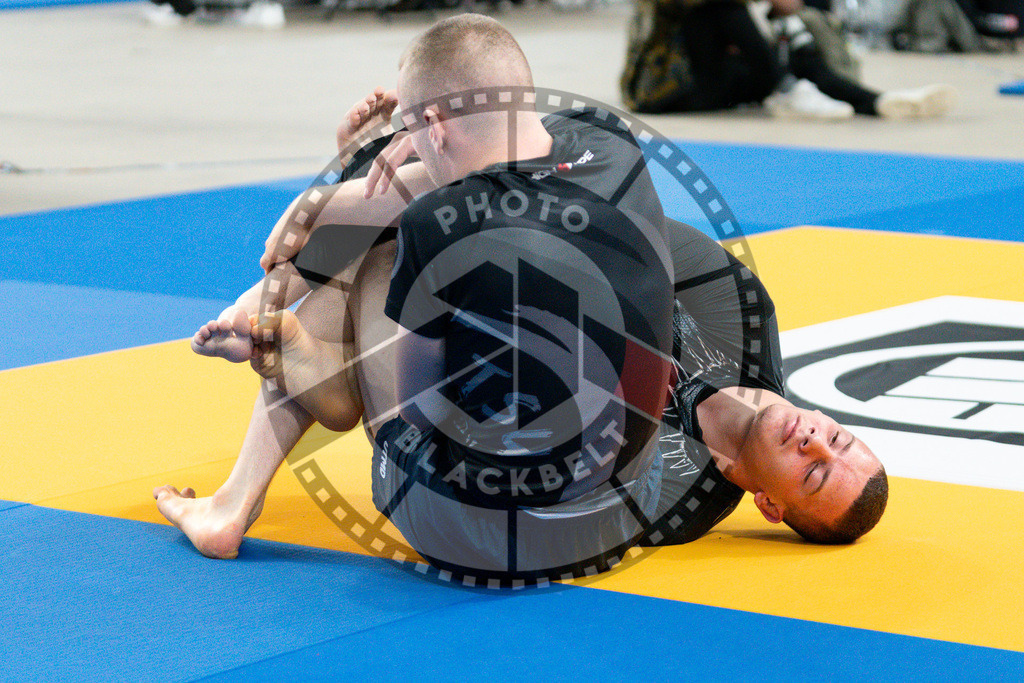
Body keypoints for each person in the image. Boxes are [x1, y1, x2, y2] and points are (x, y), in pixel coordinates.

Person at [158, 15, 886, 582]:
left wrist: (371, 184)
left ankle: (243, 481)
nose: (814, 441)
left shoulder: (678, 497)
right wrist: (405, 175)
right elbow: (601, 217)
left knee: (392, 260)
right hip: (502, 308)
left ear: (769, 502)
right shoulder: (746, 316)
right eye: (838, 436)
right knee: (452, 233)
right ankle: (375, 194)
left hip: (468, 458)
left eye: (814, 472)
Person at [621, 0, 958, 119]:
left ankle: (878, 101)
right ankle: (786, 88)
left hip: (714, 77)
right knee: (725, 9)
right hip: (664, 89)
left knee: (798, 60)